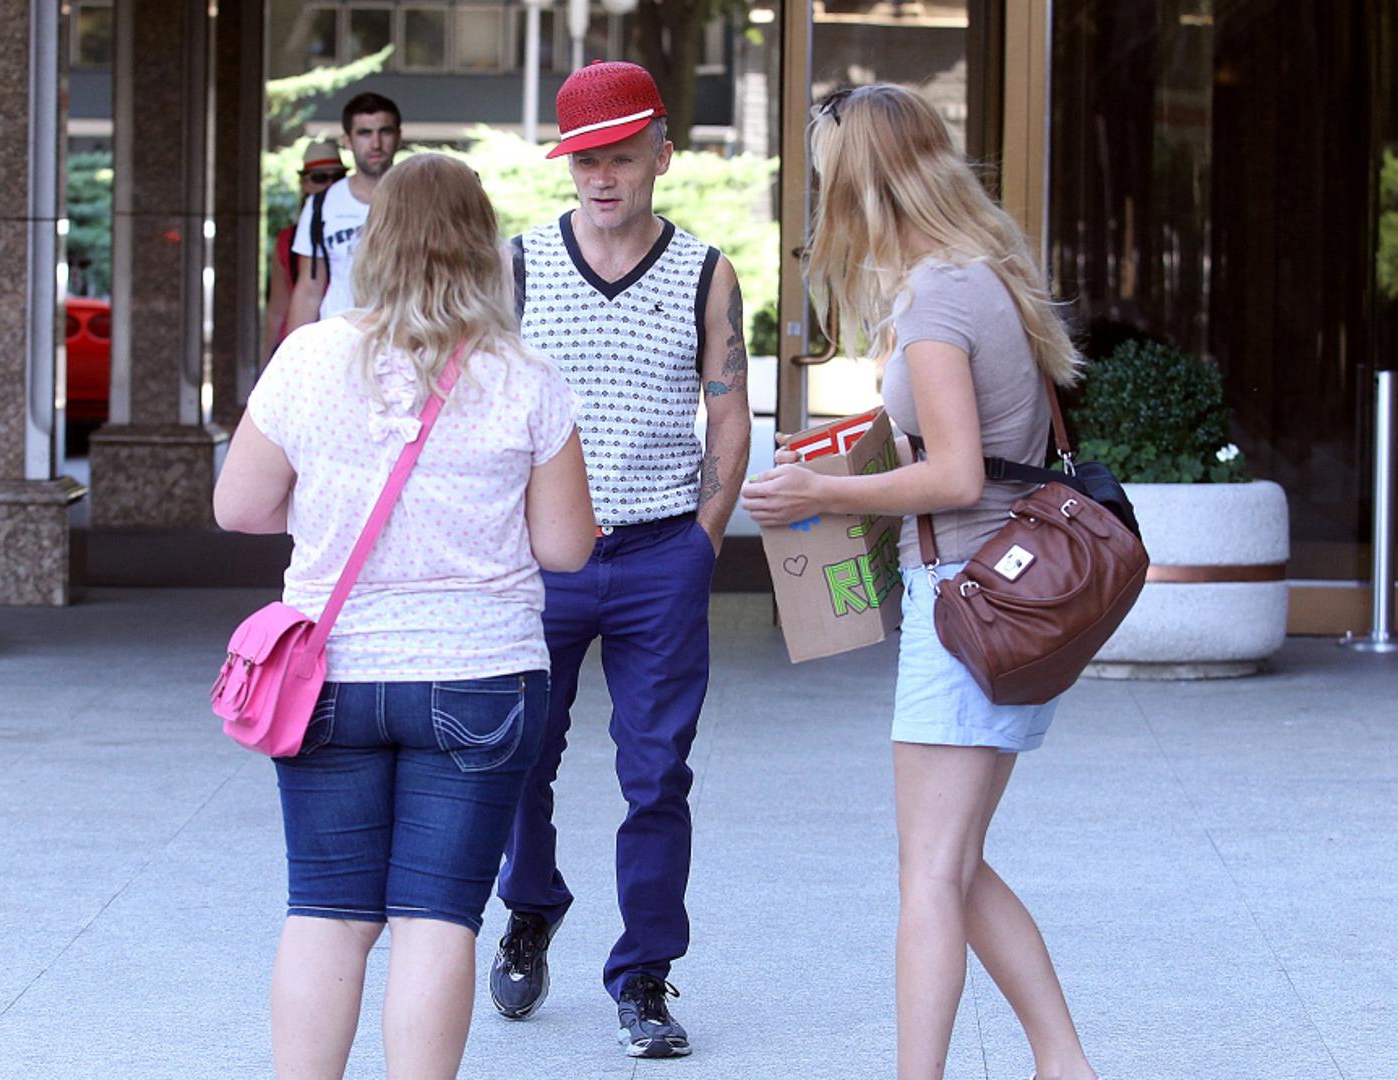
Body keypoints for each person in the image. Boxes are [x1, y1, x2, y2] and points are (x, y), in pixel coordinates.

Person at [740, 83, 1102, 1080]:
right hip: (1003, 599)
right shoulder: (983, 274)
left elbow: (957, 477)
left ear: (863, 182)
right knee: (956, 865)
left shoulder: (940, 297)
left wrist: (823, 490)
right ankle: (1064, 1064)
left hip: (968, 605)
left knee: (932, 874)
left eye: (826, 178)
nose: (820, 200)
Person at [213, 153, 595, 1080]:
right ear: (485, 247)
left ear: (375, 244)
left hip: (330, 676)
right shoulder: (525, 377)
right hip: (480, 678)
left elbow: (239, 506)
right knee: (437, 919)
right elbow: (566, 548)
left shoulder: (309, 358)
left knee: (327, 912)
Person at [488, 61, 752, 1060]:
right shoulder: (518, 267)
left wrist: (702, 542)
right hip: (541, 561)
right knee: (520, 755)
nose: (602, 177)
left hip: (659, 555)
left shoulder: (706, 272)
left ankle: (643, 975)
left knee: (657, 775)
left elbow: (729, 411)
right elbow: (482, 410)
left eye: (622, 157)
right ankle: (530, 905)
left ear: (663, 157)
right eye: (585, 160)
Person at [287, 92, 403, 330]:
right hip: (340, 335)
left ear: (398, 136)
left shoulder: (420, 198)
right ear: (347, 140)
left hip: (402, 334)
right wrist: (293, 347)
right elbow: (309, 289)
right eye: (364, 133)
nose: (376, 143)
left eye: (384, 131)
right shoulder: (322, 204)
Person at [262, 139, 346, 364]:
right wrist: (267, 368)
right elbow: (277, 310)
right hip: (304, 347)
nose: (330, 184)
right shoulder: (287, 240)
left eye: (338, 177)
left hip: (342, 343)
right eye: (320, 178)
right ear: (304, 183)